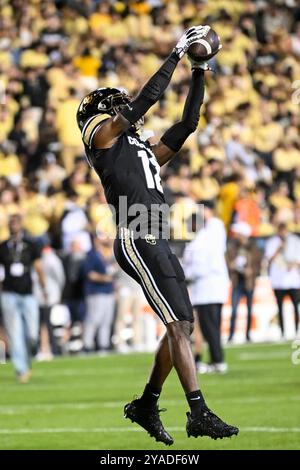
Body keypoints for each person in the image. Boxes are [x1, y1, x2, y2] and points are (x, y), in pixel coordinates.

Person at [77, 25, 238, 444]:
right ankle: (198, 411)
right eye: (119, 104)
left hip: (155, 235)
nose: (127, 106)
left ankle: (147, 403)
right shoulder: (103, 138)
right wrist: (174, 55)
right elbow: (144, 101)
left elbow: (187, 123)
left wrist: (199, 70)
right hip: (134, 234)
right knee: (180, 324)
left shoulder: (142, 147)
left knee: (182, 323)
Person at [183, 200, 229, 374]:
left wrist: (187, 275)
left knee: (210, 328)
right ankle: (216, 359)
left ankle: (218, 361)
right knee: (213, 327)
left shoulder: (205, 236)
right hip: (212, 287)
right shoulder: (208, 236)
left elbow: (198, 266)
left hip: (206, 288)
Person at [0, 214, 47, 383]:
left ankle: (27, 359)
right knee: (14, 333)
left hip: (28, 293)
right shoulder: (3, 247)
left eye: (16, 223)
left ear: (21, 225)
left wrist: (44, 287)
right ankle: (21, 369)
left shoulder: (31, 245)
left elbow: (38, 267)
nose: (14, 226)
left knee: (32, 334)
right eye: (11, 223)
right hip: (8, 294)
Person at [227, 222, 263, 342]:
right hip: (237, 282)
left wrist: (251, 271)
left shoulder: (254, 248)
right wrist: (231, 265)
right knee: (234, 310)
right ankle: (231, 336)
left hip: (248, 283)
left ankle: (247, 335)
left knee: (249, 309)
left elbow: (258, 266)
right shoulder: (233, 248)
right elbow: (227, 261)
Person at [265, 223, 300, 337]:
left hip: (293, 280)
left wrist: (293, 265)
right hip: (278, 281)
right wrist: (279, 249)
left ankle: (296, 331)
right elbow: (268, 259)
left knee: (296, 306)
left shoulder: (294, 240)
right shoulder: (272, 242)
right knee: (279, 307)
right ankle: (283, 332)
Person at [82, 235, 115, 352]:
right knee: (94, 319)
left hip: (108, 291)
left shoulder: (106, 254)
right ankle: (87, 344)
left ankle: (103, 344)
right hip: (96, 291)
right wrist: (104, 278)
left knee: (106, 320)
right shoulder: (91, 254)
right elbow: (90, 274)